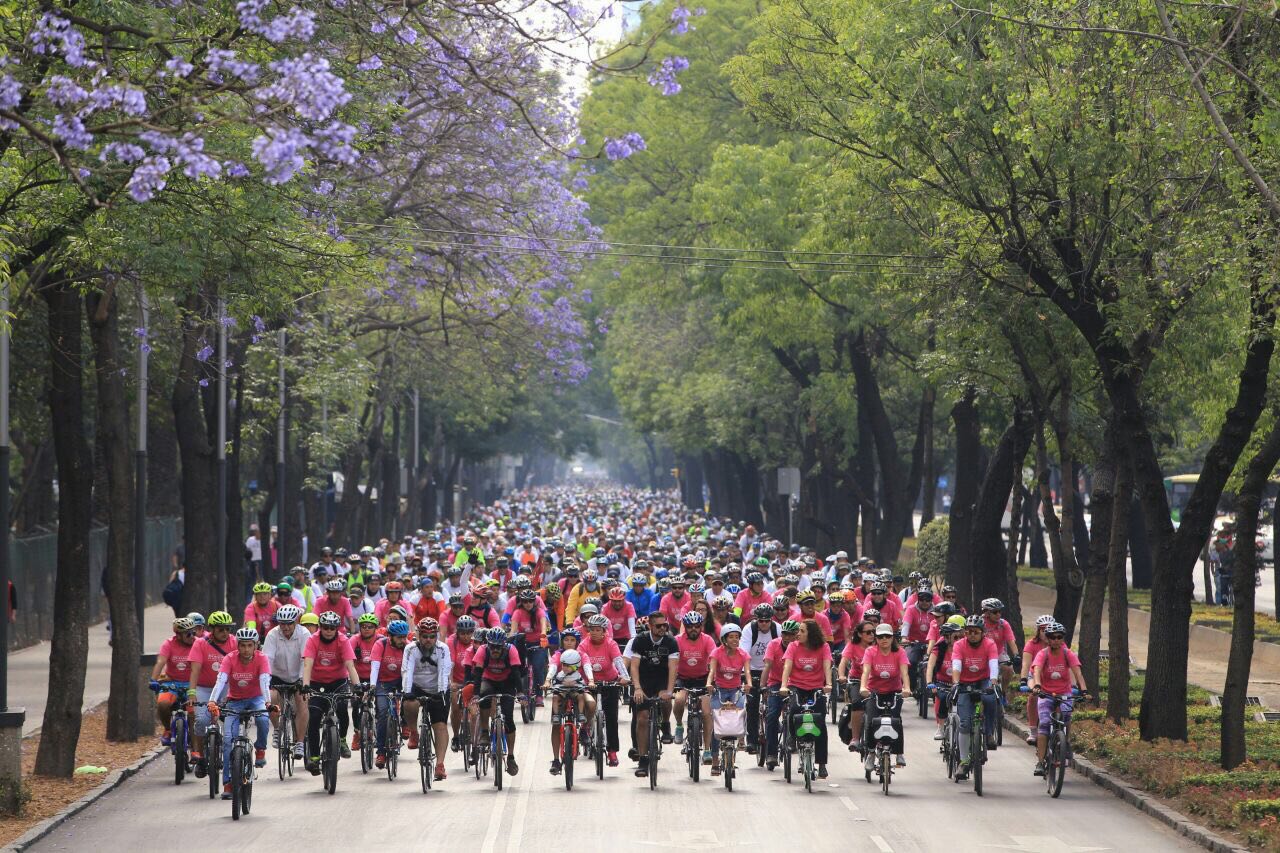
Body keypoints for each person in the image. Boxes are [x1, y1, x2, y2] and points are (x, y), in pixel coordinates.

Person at [208, 627, 273, 799]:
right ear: (238, 646)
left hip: (256, 698)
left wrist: (267, 702)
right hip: (235, 701)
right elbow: (221, 680)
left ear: (256, 645)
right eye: (242, 645)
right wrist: (212, 701)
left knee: (263, 719)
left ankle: (260, 749)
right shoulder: (230, 658)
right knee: (228, 740)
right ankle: (228, 783)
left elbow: (264, 681)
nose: (246, 649)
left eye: (249, 645)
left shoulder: (262, 658)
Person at [301, 611, 361, 775]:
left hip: (338, 682)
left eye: (332, 628)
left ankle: (341, 740)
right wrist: (305, 686)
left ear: (336, 629)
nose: (328, 631)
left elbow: (350, 666)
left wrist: (357, 686)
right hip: (317, 682)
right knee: (313, 717)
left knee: (342, 709)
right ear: (320, 627)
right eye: (325, 627)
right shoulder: (313, 640)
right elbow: (307, 665)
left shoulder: (343, 640)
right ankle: (313, 757)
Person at [1030, 621, 1090, 777]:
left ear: (1063, 638)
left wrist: (1084, 690)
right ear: (1048, 639)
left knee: (1066, 716)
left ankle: (1065, 743)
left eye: (1059, 637)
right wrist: (1037, 685)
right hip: (1046, 693)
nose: (1056, 640)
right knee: (1043, 723)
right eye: (1052, 637)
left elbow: (1078, 673)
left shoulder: (1068, 653)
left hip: (1065, 693)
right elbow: (1036, 670)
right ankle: (1040, 761)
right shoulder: (1043, 653)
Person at [625, 610, 678, 778]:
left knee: (665, 700)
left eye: (665, 625)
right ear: (650, 626)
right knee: (642, 718)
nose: (663, 628)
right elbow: (633, 666)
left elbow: (673, 667)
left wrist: (669, 690)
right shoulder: (640, 640)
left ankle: (666, 723)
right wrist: (638, 688)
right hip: (644, 680)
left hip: (662, 678)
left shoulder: (671, 641)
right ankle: (643, 758)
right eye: (659, 626)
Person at [778, 619, 833, 778]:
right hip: (796, 685)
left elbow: (826, 666)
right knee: (793, 710)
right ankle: (792, 738)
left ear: (811, 634)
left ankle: (821, 763)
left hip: (816, 687)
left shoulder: (824, 647)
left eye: (802, 631)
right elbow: (787, 666)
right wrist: (784, 685)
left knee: (820, 722)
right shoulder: (793, 646)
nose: (798, 634)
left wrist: (828, 684)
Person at [401, 617, 453, 781]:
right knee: (409, 703)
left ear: (436, 636)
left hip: (437, 688)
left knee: (440, 726)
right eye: (425, 636)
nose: (428, 640)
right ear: (418, 635)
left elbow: (444, 673)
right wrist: (407, 691)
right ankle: (414, 732)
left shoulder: (443, 648)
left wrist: (441, 693)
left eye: (432, 636)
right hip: (416, 686)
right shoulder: (410, 649)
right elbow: (407, 672)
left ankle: (440, 765)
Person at [184, 610, 236, 775]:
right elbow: (195, 670)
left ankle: (235, 756)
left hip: (226, 688)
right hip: (204, 688)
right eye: (220, 629)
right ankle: (199, 755)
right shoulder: (200, 643)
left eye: (227, 629)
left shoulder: (235, 642)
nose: (225, 633)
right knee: (201, 720)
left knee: (232, 721)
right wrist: (192, 694)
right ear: (211, 629)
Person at [469, 626, 525, 777]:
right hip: (488, 680)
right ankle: (485, 733)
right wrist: (475, 695)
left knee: (509, 720)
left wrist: (520, 693)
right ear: (488, 644)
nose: (494, 650)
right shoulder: (482, 650)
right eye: (492, 646)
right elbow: (478, 674)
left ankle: (511, 757)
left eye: (498, 647)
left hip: (507, 682)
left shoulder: (511, 650)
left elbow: (516, 672)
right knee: (484, 695)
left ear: (504, 645)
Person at [951, 614, 1000, 781]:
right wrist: (956, 683)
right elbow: (956, 664)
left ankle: (988, 733)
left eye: (976, 632)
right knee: (964, 724)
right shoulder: (959, 645)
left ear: (982, 633)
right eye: (969, 631)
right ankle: (964, 761)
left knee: (990, 699)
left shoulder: (990, 644)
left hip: (983, 681)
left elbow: (993, 664)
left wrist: (993, 682)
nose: (972, 635)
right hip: (964, 683)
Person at [580, 613, 628, 767]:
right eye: (591, 629)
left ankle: (612, 751)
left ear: (604, 631)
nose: (593, 632)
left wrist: (624, 676)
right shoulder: (584, 644)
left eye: (597, 629)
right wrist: (586, 682)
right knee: (588, 706)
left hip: (610, 682)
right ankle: (585, 727)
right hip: (590, 683)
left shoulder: (611, 644)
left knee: (612, 717)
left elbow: (618, 661)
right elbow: (583, 663)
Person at [262, 604, 308, 760]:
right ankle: (277, 729)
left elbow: (305, 660)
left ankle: (300, 742)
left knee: (302, 701)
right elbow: (267, 660)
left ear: (296, 621)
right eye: (282, 623)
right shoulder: (272, 635)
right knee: (272, 698)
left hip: (297, 675)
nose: (285, 627)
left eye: (289, 623)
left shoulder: (304, 633)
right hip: (278, 675)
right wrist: (266, 680)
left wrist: (302, 680)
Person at [859, 623, 909, 768]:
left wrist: (907, 688)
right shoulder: (870, 651)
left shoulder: (899, 652)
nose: (884, 639)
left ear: (893, 637)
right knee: (871, 721)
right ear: (876, 638)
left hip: (894, 691)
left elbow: (904, 673)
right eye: (881, 637)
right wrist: (863, 687)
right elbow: (866, 671)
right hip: (874, 691)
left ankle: (899, 753)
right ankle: (871, 753)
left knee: (896, 721)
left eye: (887, 636)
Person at [706, 622, 751, 776]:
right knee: (717, 725)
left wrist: (748, 684)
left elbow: (747, 672)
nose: (735, 640)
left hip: (736, 690)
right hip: (719, 690)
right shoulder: (716, 653)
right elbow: (712, 670)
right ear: (724, 639)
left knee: (741, 713)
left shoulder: (743, 654)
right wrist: (708, 684)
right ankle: (715, 761)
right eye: (731, 637)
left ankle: (740, 740)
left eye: (737, 637)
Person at [672, 610, 716, 764]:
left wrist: (712, 678)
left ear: (701, 626)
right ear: (685, 626)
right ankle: (678, 726)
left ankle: (707, 749)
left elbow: (713, 660)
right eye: (690, 627)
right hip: (683, 679)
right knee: (678, 701)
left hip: (703, 680)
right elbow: (672, 661)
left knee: (706, 713)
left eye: (697, 626)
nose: (693, 630)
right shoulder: (677, 640)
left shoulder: (708, 640)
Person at [368, 618, 411, 768]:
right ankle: (380, 752)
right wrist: (373, 686)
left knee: (409, 699)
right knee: (383, 713)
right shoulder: (381, 644)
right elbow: (375, 666)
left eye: (404, 637)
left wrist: (408, 689)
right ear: (390, 636)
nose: (402, 640)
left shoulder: (408, 647)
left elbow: (409, 671)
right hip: (383, 682)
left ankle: (405, 722)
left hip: (400, 680)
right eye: (399, 637)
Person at [545, 646, 594, 775]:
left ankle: (583, 721)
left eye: (572, 640)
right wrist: (548, 681)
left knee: (583, 698)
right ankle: (556, 760)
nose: (564, 667)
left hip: (575, 694)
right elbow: (553, 672)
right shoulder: (559, 668)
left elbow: (585, 677)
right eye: (566, 639)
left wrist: (590, 681)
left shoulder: (581, 660)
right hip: (562, 695)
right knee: (555, 702)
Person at [149, 618, 196, 742]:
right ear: (178, 635)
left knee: (195, 710)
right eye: (188, 633)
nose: (192, 636)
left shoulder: (198, 644)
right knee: (163, 704)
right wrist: (153, 680)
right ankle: (168, 730)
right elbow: (161, 661)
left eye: (194, 632)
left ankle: (196, 734)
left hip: (193, 684)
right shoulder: (169, 644)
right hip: (172, 682)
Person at [739, 603, 777, 755]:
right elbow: (744, 654)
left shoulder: (777, 629)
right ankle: (752, 741)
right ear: (756, 620)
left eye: (767, 620)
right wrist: (747, 677)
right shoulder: (749, 629)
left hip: (771, 670)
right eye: (760, 621)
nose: (764, 624)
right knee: (752, 705)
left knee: (773, 705)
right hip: (753, 669)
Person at [837, 619, 875, 754]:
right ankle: (855, 738)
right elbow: (843, 662)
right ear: (859, 634)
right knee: (857, 703)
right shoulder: (852, 646)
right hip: (856, 681)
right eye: (868, 632)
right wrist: (841, 675)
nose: (872, 635)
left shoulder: (879, 645)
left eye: (874, 632)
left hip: (875, 682)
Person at [1019, 615, 1056, 744]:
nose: (1045, 633)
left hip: (1053, 678)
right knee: (1034, 696)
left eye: (1048, 629)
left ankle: (1059, 729)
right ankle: (1033, 730)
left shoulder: (1059, 644)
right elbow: (1026, 664)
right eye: (1042, 629)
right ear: (1038, 631)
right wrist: (1023, 680)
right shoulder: (1031, 644)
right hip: (1034, 676)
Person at [348, 613, 381, 752]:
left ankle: (379, 732)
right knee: (356, 703)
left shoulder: (380, 640)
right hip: (358, 677)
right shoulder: (354, 640)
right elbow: (348, 660)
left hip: (377, 677)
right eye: (363, 626)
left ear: (375, 628)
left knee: (380, 704)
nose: (366, 629)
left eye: (370, 627)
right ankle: (357, 733)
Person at [979, 598, 1020, 693]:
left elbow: (1011, 641)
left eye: (1000, 611)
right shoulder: (980, 624)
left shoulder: (1003, 624)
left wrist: (1016, 655)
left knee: (1008, 669)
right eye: (995, 612)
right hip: (982, 654)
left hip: (999, 653)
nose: (998, 614)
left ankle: (1003, 692)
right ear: (987, 613)